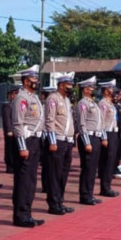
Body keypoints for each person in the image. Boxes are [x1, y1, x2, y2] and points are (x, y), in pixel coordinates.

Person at [11, 66, 45, 227]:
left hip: (35, 141)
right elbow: (18, 123)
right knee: (23, 180)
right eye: (33, 80)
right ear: (26, 81)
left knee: (31, 179)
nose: (36, 82)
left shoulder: (34, 97)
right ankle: (20, 215)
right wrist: (22, 147)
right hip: (26, 140)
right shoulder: (21, 98)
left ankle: (27, 212)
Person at [43, 73, 76, 215]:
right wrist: (52, 140)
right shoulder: (53, 98)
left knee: (63, 173)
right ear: (62, 85)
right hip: (57, 140)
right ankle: (53, 203)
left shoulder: (67, 100)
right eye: (69, 85)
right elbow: (49, 120)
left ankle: (60, 200)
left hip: (67, 141)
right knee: (54, 174)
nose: (71, 87)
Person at [76, 76, 104, 205]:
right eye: (92, 87)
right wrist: (86, 142)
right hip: (88, 138)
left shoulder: (93, 103)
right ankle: (85, 195)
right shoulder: (83, 103)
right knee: (87, 168)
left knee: (93, 168)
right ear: (86, 89)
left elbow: (99, 122)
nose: (94, 89)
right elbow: (82, 124)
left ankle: (90, 193)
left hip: (96, 137)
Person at [97, 80, 121, 197]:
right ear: (106, 91)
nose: (113, 91)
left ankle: (108, 186)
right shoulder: (103, 103)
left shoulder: (110, 103)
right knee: (107, 161)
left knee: (111, 161)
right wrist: (104, 137)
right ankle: (105, 188)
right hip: (107, 133)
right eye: (111, 89)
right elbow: (101, 122)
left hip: (113, 133)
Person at [2, 85, 19, 174]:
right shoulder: (7, 105)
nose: (16, 95)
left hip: (17, 131)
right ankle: (10, 166)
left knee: (15, 149)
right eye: (15, 94)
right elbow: (7, 119)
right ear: (11, 95)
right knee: (9, 149)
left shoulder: (17, 105)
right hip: (10, 131)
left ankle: (14, 165)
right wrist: (9, 130)